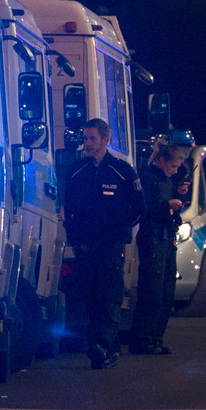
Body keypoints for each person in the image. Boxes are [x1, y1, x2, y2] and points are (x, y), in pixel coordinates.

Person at [63, 118, 144, 369]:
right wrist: (74, 237)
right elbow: (67, 209)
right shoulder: (76, 171)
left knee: (109, 296)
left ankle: (103, 346)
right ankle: (104, 345)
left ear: (105, 140)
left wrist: (120, 229)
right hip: (85, 247)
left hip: (110, 247)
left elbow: (139, 207)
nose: (87, 143)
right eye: (85, 138)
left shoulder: (122, 170)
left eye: (92, 139)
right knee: (89, 296)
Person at [131, 142, 187, 355]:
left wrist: (179, 195)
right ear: (161, 160)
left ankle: (155, 337)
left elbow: (169, 207)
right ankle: (142, 339)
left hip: (167, 238)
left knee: (166, 291)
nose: (174, 171)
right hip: (153, 237)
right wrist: (168, 205)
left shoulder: (167, 180)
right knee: (152, 291)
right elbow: (145, 209)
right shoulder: (146, 177)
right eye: (173, 166)